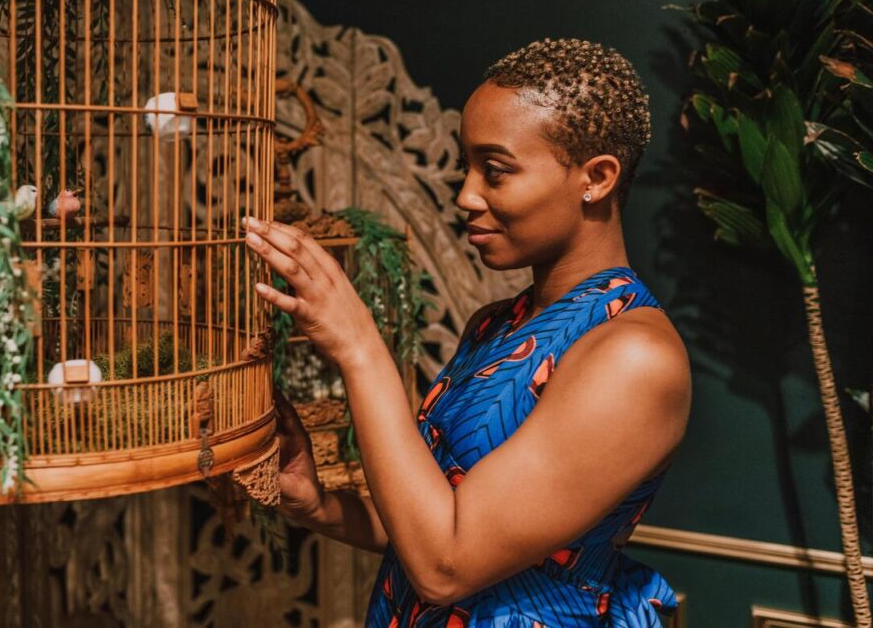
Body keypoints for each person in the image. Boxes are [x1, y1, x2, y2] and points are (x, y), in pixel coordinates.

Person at [241, 37, 692, 627]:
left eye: (496, 171)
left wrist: (358, 345)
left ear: (597, 177)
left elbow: (446, 566)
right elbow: (442, 525)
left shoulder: (634, 357)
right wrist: (321, 506)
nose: (465, 195)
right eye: (465, 166)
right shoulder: (497, 324)